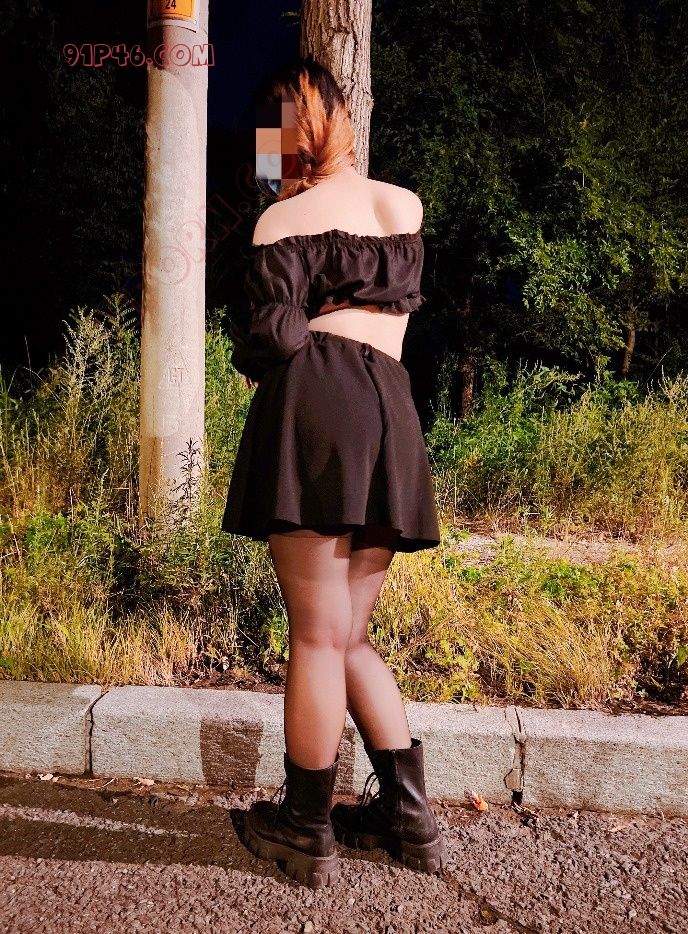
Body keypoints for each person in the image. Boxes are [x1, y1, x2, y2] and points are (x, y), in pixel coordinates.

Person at [221, 56, 445, 889]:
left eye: (269, 137)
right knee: (349, 635)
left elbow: (275, 339)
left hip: (317, 403)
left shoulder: (281, 221)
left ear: (286, 133)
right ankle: (409, 818)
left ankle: (305, 827)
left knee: (317, 635)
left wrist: (278, 323)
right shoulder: (403, 206)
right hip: (390, 409)